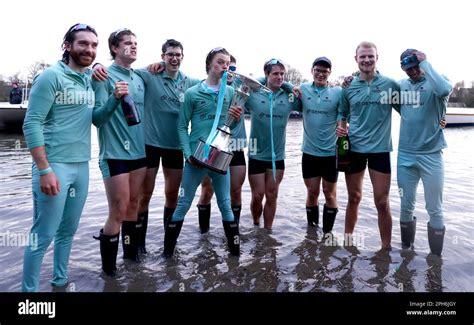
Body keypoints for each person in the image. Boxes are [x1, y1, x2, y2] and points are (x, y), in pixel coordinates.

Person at [21, 23, 98, 291]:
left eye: (93, 45)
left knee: (67, 233)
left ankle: (59, 283)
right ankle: (28, 296)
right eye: (83, 44)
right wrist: (44, 170)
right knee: (42, 235)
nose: (89, 49)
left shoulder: (89, 79)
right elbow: (31, 124)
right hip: (54, 165)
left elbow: (95, 118)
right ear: (68, 46)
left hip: (82, 166)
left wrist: (112, 101)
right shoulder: (50, 77)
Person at [163, 47, 243, 257]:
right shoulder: (193, 93)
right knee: (183, 204)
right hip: (196, 158)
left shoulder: (232, 92)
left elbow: (232, 128)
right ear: (209, 65)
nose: (224, 66)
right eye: (219, 62)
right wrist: (188, 154)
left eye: (227, 63)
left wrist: (235, 118)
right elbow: (182, 126)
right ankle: (167, 256)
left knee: (226, 205)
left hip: (220, 157)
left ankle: (236, 256)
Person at [92, 28, 147, 275]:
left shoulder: (139, 77)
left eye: (135, 43)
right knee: (118, 210)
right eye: (127, 43)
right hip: (114, 154)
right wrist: (114, 97)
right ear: (114, 48)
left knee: (133, 205)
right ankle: (109, 273)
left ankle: (131, 259)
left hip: (139, 153)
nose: (133, 46)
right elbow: (97, 119)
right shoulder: (102, 76)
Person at [337, 41, 400, 249]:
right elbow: (342, 114)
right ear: (356, 59)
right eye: (362, 56)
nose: (366, 60)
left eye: (370, 56)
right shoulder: (348, 87)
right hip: (353, 149)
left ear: (377, 58)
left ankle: (386, 248)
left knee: (382, 201)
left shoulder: (390, 85)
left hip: (380, 150)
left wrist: (439, 118)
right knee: (354, 197)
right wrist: (341, 128)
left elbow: (408, 112)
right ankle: (348, 242)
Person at [397, 49, 452, 256]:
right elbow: (385, 94)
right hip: (405, 156)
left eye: (415, 66)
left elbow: (444, 90)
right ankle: (406, 251)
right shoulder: (401, 86)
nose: (412, 72)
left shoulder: (438, 81)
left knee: (434, 208)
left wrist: (425, 64)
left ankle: (435, 259)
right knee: (405, 205)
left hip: (432, 155)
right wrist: (355, 77)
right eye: (407, 68)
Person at [246, 58, 300, 230]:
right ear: (266, 75)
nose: (280, 77)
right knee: (257, 195)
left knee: (272, 194)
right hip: (256, 154)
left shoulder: (289, 97)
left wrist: (289, 86)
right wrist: (262, 81)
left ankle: (267, 232)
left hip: (277, 157)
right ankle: (255, 224)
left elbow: (306, 98)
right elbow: (241, 84)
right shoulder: (253, 94)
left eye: (282, 74)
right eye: (275, 73)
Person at [196, 55, 246, 233]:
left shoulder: (243, 89)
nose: (228, 71)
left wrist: (289, 86)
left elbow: (266, 83)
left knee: (236, 192)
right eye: (224, 66)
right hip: (215, 147)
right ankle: (204, 234)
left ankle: (233, 233)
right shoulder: (207, 87)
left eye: (232, 68)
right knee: (207, 192)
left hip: (236, 146)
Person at [298, 57, 340, 234]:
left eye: (325, 71)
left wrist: (344, 128)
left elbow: (346, 116)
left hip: (331, 153)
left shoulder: (338, 92)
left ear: (329, 73)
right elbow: (280, 87)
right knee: (312, 193)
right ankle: (312, 232)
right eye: (318, 70)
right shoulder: (303, 89)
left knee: (329, 194)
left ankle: (328, 234)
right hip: (309, 153)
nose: (321, 74)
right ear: (312, 71)